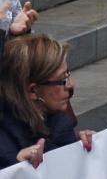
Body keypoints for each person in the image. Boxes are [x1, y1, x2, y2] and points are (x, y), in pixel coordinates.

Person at [0, 35, 94, 169]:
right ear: (33, 91)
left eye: (68, 75)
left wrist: (85, 151)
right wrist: (16, 169)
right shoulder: (4, 145)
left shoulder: (57, 121)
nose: (71, 85)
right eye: (63, 80)